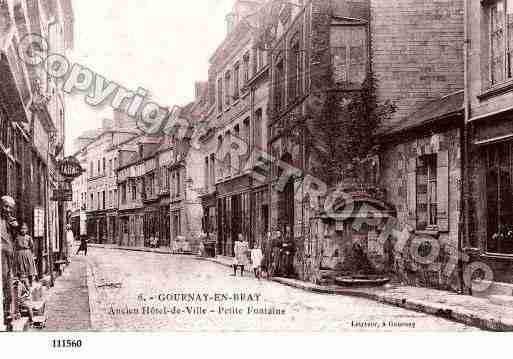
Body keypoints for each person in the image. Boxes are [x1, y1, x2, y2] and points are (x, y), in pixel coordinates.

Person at [1, 195, 17, 328]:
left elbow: (13, 241)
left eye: (10, 208)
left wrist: (14, 229)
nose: (7, 210)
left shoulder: (10, 222)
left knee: (8, 285)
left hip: (8, 258)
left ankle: (7, 314)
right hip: (1, 257)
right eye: (5, 206)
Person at [14, 223, 37, 287]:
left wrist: (31, 254)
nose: (23, 230)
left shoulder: (29, 237)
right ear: (20, 230)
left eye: (24, 229)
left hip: (27, 253)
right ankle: (21, 283)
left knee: (29, 268)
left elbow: (32, 246)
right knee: (20, 268)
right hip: (20, 254)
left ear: (27, 230)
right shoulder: (17, 238)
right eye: (22, 229)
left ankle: (30, 282)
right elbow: (15, 246)